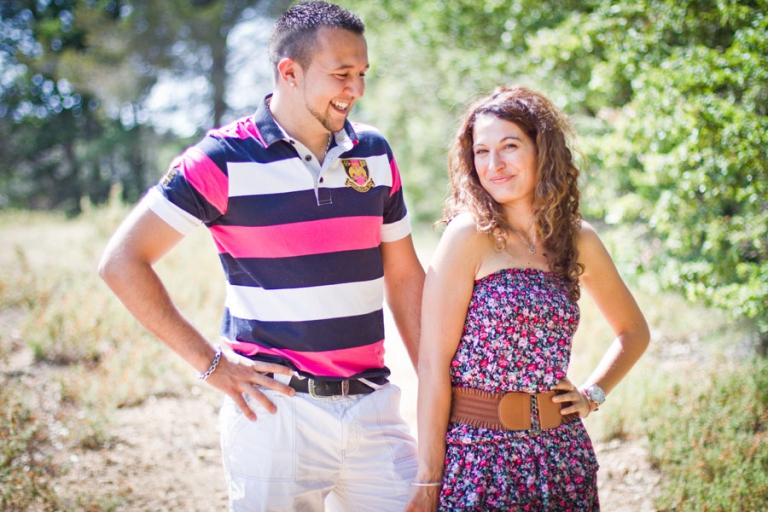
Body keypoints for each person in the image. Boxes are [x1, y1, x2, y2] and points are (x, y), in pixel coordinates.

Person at [98, 2, 424, 510]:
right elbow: (122, 262)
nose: (356, 90)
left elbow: (404, 277)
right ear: (288, 72)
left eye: (361, 74)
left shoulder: (375, 153)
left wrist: (438, 385)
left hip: (375, 408)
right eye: (341, 74)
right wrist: (209, 365)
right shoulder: (220, 160)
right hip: (273, 416)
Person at [405, 85, 650, 511]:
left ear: (542, 149)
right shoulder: (468, 236)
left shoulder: (577, 238)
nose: (494, 164)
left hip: (563, 454)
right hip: (480, 456)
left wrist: (593, 394)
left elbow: (634, 332)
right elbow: (432, 364)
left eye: (509, 146)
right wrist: (429, 479)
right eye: (481, 152)